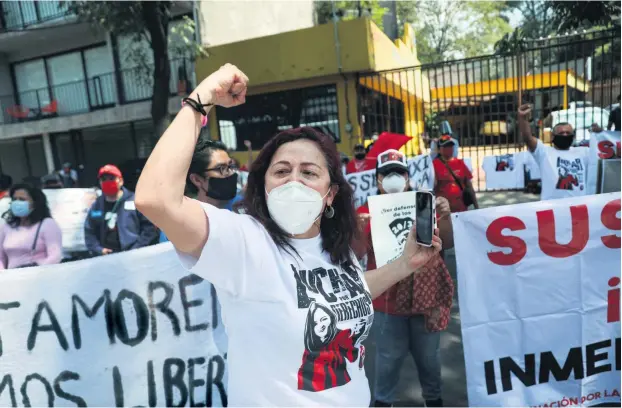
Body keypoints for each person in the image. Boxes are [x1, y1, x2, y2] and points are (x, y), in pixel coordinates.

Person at [134, 63, 442, 406]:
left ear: (330, 194)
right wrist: (200, 100)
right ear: (263, 186)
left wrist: (403, 265)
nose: (294, 180)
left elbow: (347, 293)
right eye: (281, 171)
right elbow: (156, 199)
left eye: (309, 172)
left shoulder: (334, 247)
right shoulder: (244, 243)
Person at [355, 149, 454, 407]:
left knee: (430, 361)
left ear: (408, 176)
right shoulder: (366, 211)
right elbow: (355, 256)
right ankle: (381, 402)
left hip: (425, 301)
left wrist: (446, 214)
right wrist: (356, 230)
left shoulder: (424, 203)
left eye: (399, 173)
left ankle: (434, 400)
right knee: (387, 362)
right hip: (387, 303)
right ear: (377, 179)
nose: (394, 178)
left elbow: (448, 243)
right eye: (387, 174)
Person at [159, 137, 239, 242]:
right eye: (221, 168)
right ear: (197, 180)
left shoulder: (245, 206)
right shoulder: (179, 224)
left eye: (230, 166)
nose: (230, 173)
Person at [517, 104, 589, 200]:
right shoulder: (544, 152)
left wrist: (599, 132)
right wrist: (522, 118)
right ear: (552, 137)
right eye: (561, 133)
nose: (565, 135)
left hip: (578, 208)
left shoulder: (583, 152)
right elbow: (528, 138)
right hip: (552, 209)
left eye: (568, 133)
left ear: (573, 136)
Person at [85, 164, 158, 255]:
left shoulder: (135, 201)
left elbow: (150, 228)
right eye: (104, 179)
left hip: (134, 255)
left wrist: (137, 248)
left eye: (111, 178)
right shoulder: (97, 205)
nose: (107, 182)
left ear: (121, 181)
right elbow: (89, 231)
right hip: (106, 257)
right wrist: (99, 249)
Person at [0, 184, 62, 269]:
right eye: (14, 199)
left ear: (35, 203)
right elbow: (1, 258)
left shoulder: (47, 224)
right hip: (12, 278)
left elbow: (55, 256)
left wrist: (37, 272)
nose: (17, 202)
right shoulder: (6, 227)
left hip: (37, 277)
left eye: (22, 199)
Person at [433, 135, 478, 213]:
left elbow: (469, 186)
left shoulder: (460, 163)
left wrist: (476, 207)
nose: (449, 148)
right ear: (439, 150)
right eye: (445, 146)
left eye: (450, 146)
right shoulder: (434, 165)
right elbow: (432, 187)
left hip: (461, 208)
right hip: (443, 210)